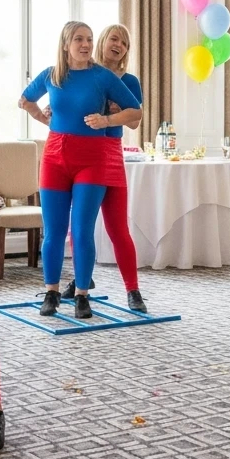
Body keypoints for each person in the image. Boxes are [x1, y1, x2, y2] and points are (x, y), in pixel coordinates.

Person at [19, 22, 141, 320]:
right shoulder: (52, 74)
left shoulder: (102, 76)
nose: (85, 44)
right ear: (66, 44)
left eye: (88, 39)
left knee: (83, 230)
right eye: (79, 39)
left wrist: (106, 120)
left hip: (94, 157)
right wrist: (43, 118)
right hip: (55, 155)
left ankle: (83, 295)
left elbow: (135, 112)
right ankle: (51, 292)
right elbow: (25, 100)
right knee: (55, 231)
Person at [58, 23, 147, 312]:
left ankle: (133, 290)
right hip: (82, 155)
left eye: (124, 43)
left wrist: (114, 113)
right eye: (113, 38)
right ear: (102, 42)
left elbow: (134, 121)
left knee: (117, 227)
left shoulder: (129, 81)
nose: (118, 45)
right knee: (79, 226)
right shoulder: (84, 74)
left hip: (110, 153)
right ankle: (82, 281)